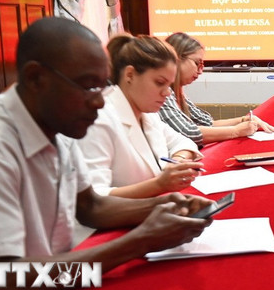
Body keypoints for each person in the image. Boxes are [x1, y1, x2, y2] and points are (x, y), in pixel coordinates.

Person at [0, 17, 213, 290]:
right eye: (87, 86)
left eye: (102, 86)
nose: (99, 102)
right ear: (36, 78)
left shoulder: (56, 123)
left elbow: (90, 206)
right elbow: (3, 282)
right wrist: (139, 242)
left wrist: (165, 206)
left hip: (54, 283)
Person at [76, 34, 205, 198]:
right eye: (160, 83)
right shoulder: (99, 119)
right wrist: (159, 184)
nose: (167, 93)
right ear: (130, 74)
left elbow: (182, 141)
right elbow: (94, 196)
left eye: (169, 85)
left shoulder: (145, 112)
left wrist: (178, 161)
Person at [159, 32, 274, 147]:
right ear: (176, 59)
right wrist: (236, 131)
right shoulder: (161, 92)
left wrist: (243, 120)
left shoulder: (178, 93)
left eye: (202, 65)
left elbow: (206, 122)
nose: (200, 71)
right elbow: (188, 133)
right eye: (197, 63)